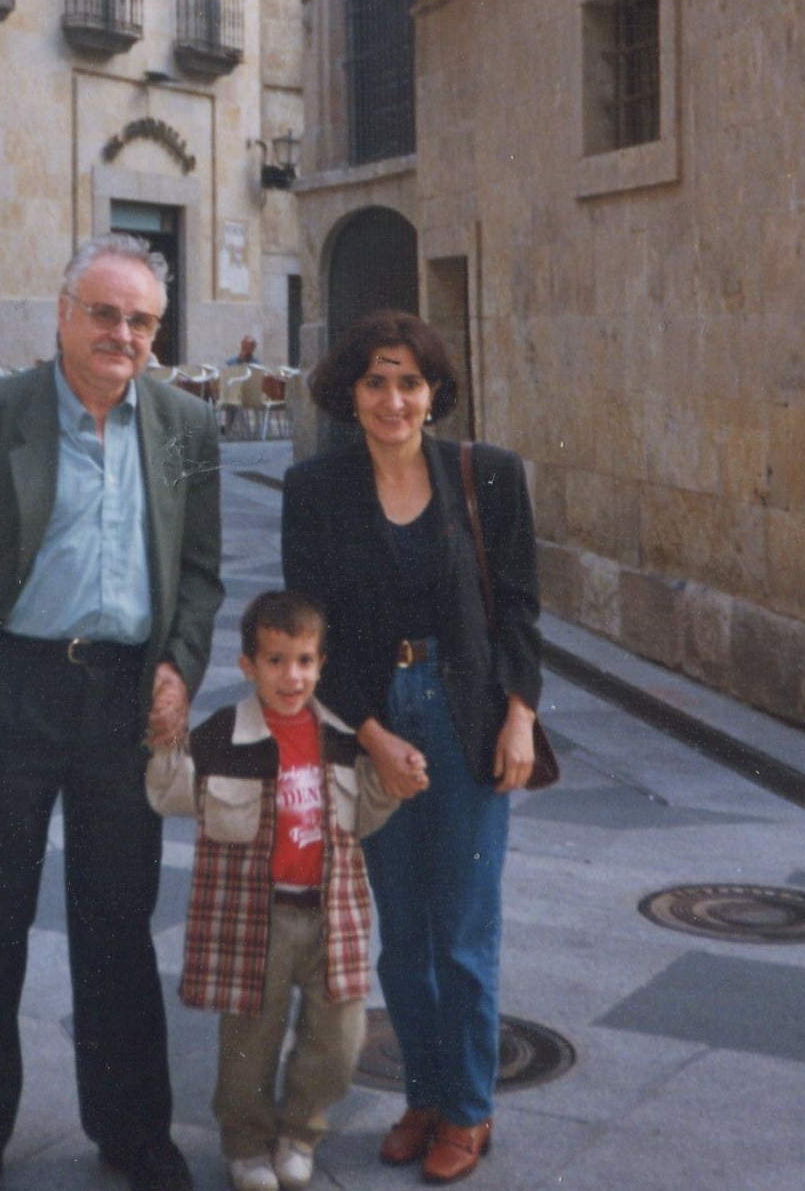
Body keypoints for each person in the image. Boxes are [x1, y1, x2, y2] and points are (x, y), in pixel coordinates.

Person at [0, 234, 224, 1191]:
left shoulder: (183, 426)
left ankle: (132, 1134)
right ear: (64, 313)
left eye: (142, 320)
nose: (123, 333)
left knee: (119, 925)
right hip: (12, 688)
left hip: (125, 698)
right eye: (106, 312)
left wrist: (178, 666)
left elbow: (199, 572)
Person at [281, 311, 543, 1187]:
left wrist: (520, 714)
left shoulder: (488, 476)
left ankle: (470, 1107)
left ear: (434, 393)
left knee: (463, 926)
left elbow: (519, 610)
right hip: (371, 716)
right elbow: (309, 633)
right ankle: (425, 1094)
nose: (394, 399)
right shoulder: (315, 490)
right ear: (348, 393)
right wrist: (372, 733)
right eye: (375, 381)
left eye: (410, 381)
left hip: (467, 710)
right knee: (401, 933)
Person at [146, 590, 395, 1191]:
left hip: (330, 914)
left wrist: (395, 783)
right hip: (254, 918)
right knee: (247, 1047)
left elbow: (363, 815)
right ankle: (247, 1143)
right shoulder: (222, 735)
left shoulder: (341, 736)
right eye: (277, 660)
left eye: (305, 660)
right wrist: (164, 741)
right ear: (248, 667)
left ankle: (300, 1131)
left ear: (321, 664)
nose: (292, 676)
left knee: (339, 1040)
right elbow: (171, 796)